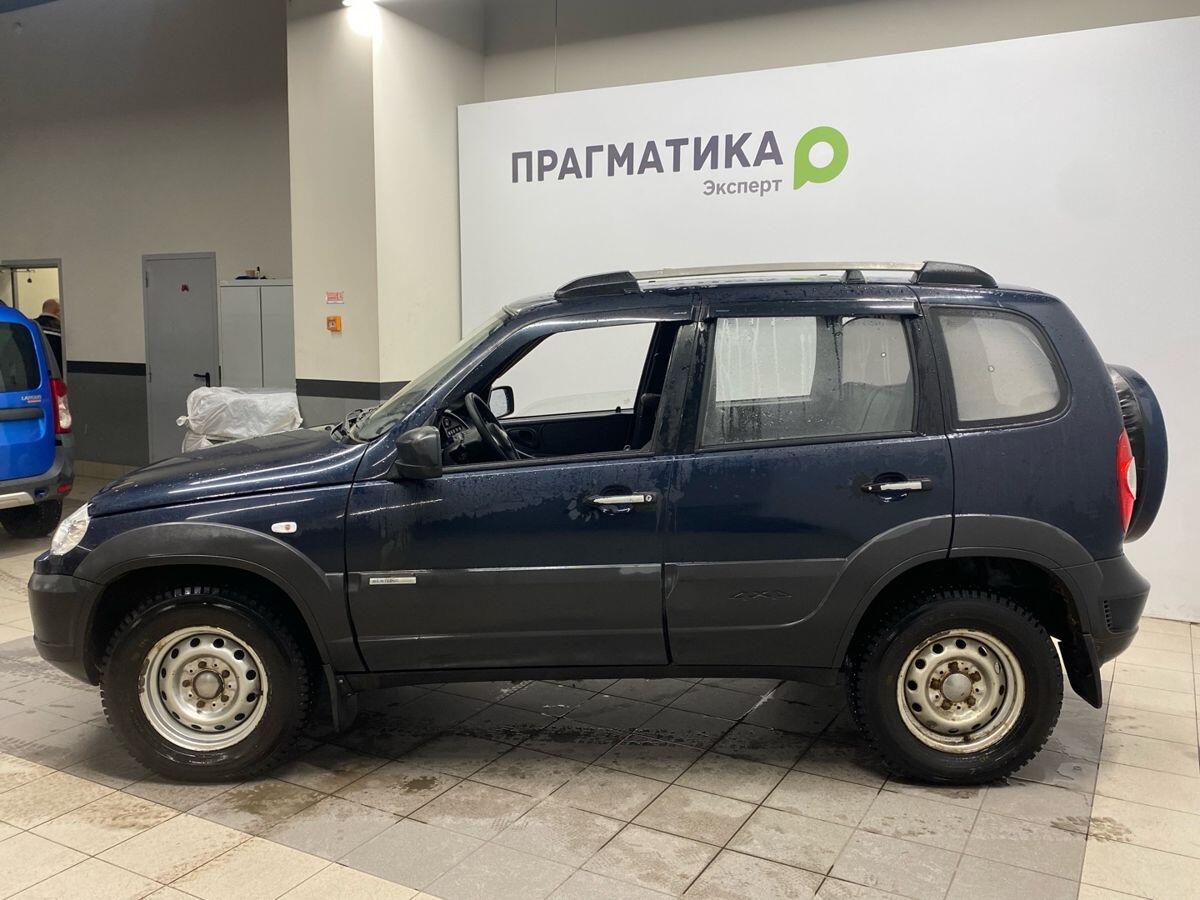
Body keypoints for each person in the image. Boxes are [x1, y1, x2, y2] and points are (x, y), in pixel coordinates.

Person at [35, 298, 63, 373]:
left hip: (34, 371)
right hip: (55, 372)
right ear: (58, 311)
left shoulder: (32, 326)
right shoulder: (61, 329)